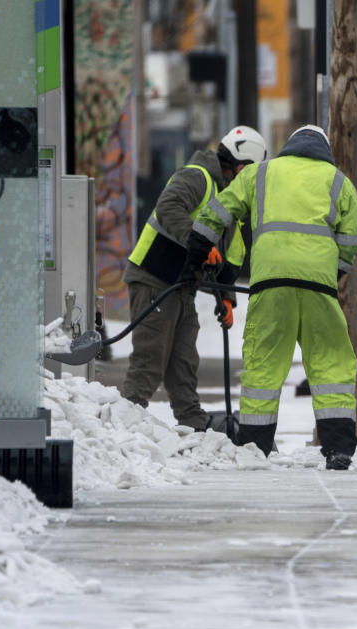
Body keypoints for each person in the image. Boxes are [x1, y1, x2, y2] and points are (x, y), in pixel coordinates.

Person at [180, 125, 357, 469]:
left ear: (290, 146)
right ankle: (338, 449)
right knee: (331, 362)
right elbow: (350, 242)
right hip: (319, 286)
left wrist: (196, 253)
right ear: (323, 149)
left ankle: (254, 446)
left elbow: (220, 210)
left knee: (264, 363)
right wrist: (329, 274)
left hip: (269, 283)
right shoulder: (339, 182)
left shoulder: (261, 174)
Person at [120, 126, 268, 430]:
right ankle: (123, 427)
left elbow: (234, 255)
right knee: (151, 359)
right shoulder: (197, 176)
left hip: (182, 287)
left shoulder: (231, 199)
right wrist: (196, 239)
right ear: (242, 166)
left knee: (184, 361)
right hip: (154, 278)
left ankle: (193, 425)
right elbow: (168, 208)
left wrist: (227, 299)